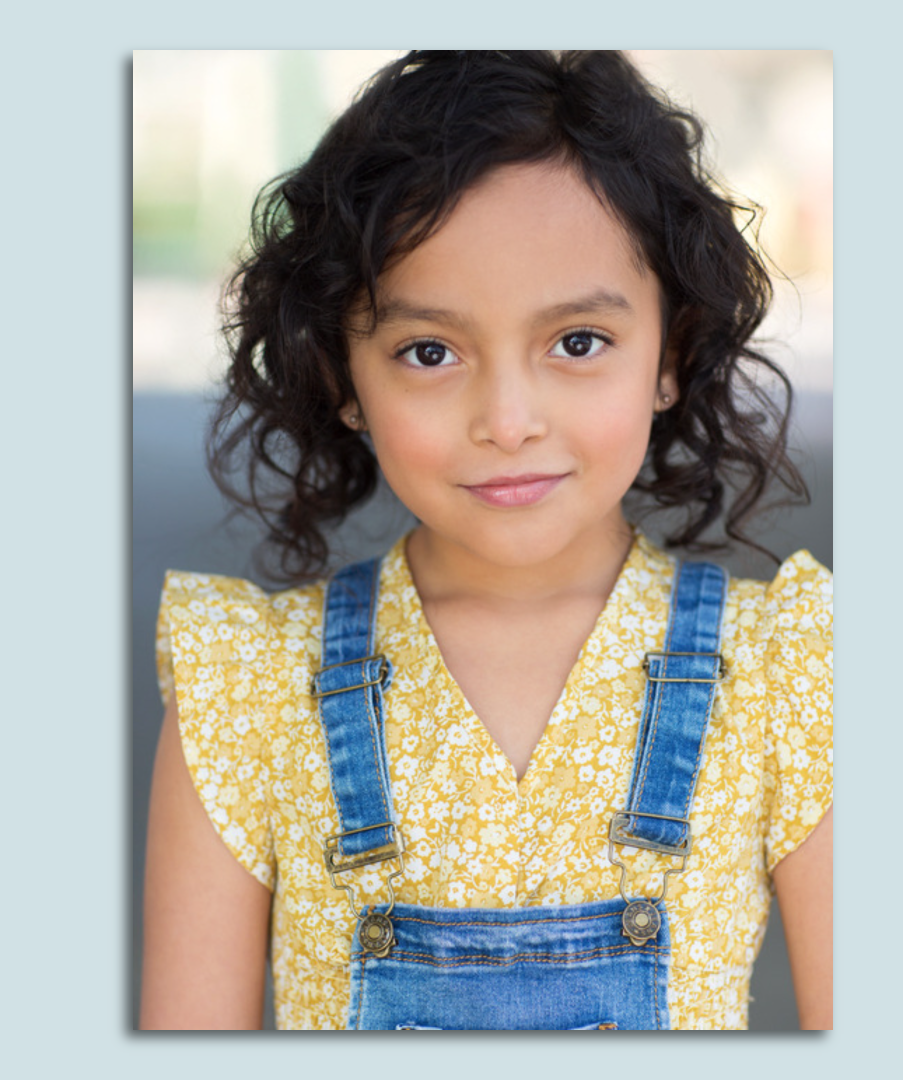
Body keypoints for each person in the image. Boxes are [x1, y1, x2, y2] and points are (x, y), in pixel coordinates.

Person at [140, 50, 832, 1030]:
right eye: (431, 352)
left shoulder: (786, 673)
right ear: (344, 376)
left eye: (578, 343)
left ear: (669, 357)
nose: (507, 419)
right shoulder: (245, 686)